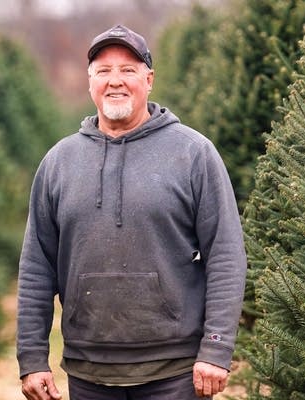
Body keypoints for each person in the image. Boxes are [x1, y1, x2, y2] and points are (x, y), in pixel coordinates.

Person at [17, 24, 247, 400]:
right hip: (88, 370)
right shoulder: (59, 162)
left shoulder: (193, 154)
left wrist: (217, 349)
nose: (115, 81)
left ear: (149, 79)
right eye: (103, 71)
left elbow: (226, 255)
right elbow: (36, 267)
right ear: (89, 81)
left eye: (128, 69)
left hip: (175, 370)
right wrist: (32, 358)